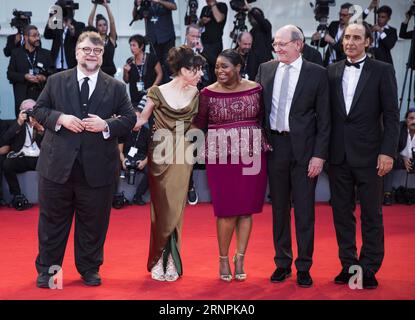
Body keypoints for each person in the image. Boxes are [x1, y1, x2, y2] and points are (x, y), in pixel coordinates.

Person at [33, 31, 136, 288]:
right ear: (77, 52)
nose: (92, 55)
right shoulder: (56, 81)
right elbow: (39, 109)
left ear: (102, 55)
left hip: (98, 169)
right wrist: (60, 118)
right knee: (52, 224)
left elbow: (130, 118)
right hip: (57, 168)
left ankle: (89, 269)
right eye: (87, 50)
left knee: (94, 224)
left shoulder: (115, 86)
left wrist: (106, 124)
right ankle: (48, 271)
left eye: (97, 51)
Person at [256, 25, 330, 288]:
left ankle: (304, 265)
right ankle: (282, 263)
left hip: (305, 151)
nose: (277, 48)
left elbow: (325, 119)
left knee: (305, 211)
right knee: (278, 210)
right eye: (275, 44)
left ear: (298, 44)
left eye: (282, 44)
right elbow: (258, 110)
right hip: (274, 148)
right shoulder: (266, 69)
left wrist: (319, 155)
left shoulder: (317, 74)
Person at [328, 23, 399, 289]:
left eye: (357, 38)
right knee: (341, 214)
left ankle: (368, 267)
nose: (350, 42)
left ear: (368, 42)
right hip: (338, 156)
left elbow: (392, 115)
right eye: (347, 37)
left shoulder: (382, 70)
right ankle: (348, 266)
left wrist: (387, 152)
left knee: (372, 214)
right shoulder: (332, 71)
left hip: (371, 156)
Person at [193, 49, 269, 282]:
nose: (219, 71)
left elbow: (264, 118)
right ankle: (223, 258)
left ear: (238, 67)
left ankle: (241, 257)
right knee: (226, 211)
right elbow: (198, 124)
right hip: (221, 157)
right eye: (217, 67)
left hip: (252, 155)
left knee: (246, 210)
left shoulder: (256, 88)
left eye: (224, 66)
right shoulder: (206, 93)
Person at [135, 45, 204, 282]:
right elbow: (141, 120)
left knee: (176, 207)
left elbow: (198, 126)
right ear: (183, 69)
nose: (200, 74)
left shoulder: (197, 94)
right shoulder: (157, 91)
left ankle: (172, 260)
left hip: (183, 153)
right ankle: (157, 259)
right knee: (160, 208)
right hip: (160, 153)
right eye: (197, 70)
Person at [2, 99, 42, 210]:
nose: (30, 113)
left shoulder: (43, 123)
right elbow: (5, 139)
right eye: (27, 110)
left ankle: (54, 197)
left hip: (40, 158)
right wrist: (19, 123)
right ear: (21, 111)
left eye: (33, 110)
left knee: (55, 164)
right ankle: (17, 195)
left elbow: (51, 143)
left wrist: (39, 128)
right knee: (7, 164)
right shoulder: (16, 124)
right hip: (22, 157)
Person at [7, 25, 53, 118]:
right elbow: (10, 74)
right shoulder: (16, 53)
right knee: (23, 126)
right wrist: (24, 76)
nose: (37, 38)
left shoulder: (46, 53)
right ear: (26, 37)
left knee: (41, 124)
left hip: (41, 95)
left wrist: (44, 78)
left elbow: (53, 73)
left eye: (38, 35)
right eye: (34, 36)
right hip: (22, 95)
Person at [133, 0, 177, 83]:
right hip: (154, 41)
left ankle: (172, 85)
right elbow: (136, 17)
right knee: (155, 66)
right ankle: (158, 88)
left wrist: (158, 1)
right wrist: (136, 5)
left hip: (167, 38)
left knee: (169, 63)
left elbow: (174, 7)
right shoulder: (146, 3)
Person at [383, 108, 415, 205]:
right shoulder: (399, 129)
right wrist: (403, 159)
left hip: (414, 161)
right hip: (399, 160)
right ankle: (387, 194)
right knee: (388, 161)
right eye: (411, 118)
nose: (414, 121)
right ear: (406, 119)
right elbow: (392, 149)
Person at [123, 34, 163, 108]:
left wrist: (153, 87)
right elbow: (126, 80)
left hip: (150, 96)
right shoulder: (129, 61)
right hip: (135, 98)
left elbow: (160, 74)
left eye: (134, 45)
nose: (132, 48)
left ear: (141, 46)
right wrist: (125, 71)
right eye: (130, 45)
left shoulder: (151, 58)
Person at [44, 3, 85, 71]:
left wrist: (70, 27)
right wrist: (51, 18)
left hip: (71, 65)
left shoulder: (79, 25)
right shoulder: (56, 24)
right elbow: (47, 35)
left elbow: (80, 38)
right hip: (55, 65)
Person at [311, 2, 353, 66]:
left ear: (351, 16)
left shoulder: (353, 30)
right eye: (340, 14)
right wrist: (315, 39)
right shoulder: (334, 24)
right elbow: (323, 44)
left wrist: (332, 41)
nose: (341, 17)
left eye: (344, 15)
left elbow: (344, 50)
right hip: (328, 64)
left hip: (342, 65)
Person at [199, 0, 228, 83]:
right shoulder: (205, 8)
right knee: (205, 68)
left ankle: (217, 85)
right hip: (204, 43)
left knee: (215, 67)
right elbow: (199, 24)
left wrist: (213, 4)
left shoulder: (222, 6)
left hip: (215, 43)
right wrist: (202, 21)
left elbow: (219, 18)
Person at [88, 0, 118, 77]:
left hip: (110, 73)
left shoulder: (111, 38)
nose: (103, 27)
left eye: (105, 25)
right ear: (97, 27)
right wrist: (95, 5)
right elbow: (90, 23)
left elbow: (112, 22)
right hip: (97, 72)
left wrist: (107, 7)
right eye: (100, 25)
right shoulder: (95, 39)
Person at [246, 5, 273, 74]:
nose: (250, 20)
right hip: (253, 63)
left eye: (252, 17)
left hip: (264, 62)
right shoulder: (252, 31)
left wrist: (251, 10)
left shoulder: (266, 25)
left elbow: (261, 21)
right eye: (250, 18)